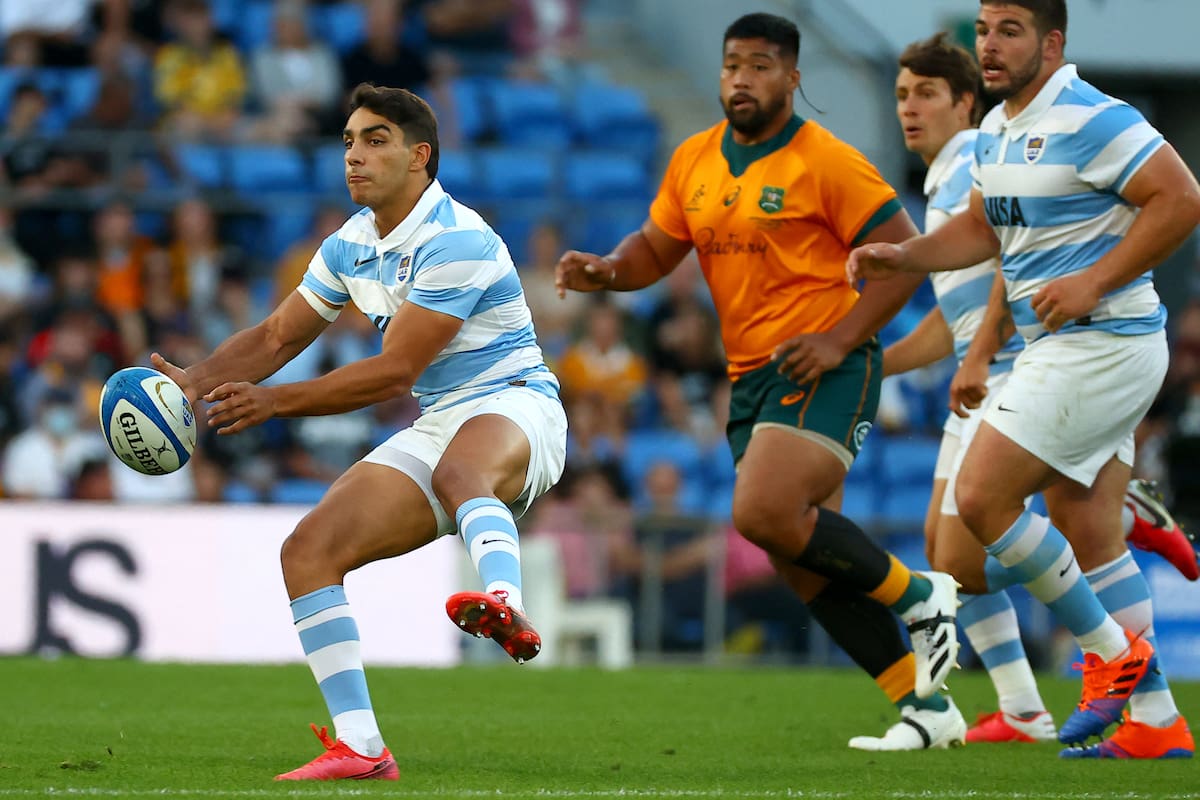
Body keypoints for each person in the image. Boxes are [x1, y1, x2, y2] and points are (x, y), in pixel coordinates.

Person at [557, 12, 966, 750]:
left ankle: (921, 593)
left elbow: (903, 250)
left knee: (764, 510)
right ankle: (928, 709)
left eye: (760, 65)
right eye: (731, 65)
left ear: (793, 77)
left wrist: (842, 338)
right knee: (802, 562)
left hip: (827, 364)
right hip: (750, 379)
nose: (741, 78)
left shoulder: (826, 161)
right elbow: (656, 246)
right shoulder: (694, 159)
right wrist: (611, 272)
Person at [152, 83, 567, 781]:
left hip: (517, 402)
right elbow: (280, 333)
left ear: (420, 158)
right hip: (441, 421)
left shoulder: (457, 240)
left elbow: (394, 372)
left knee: (460, 472)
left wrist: (274, 404)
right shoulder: (349, 245)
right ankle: (363, 747)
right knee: (308, 552)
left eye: (375, 141)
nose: (355, 156)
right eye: (348, 141)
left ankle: (505, 602)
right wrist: (191, 382)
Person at [848, 0, 1200, 759]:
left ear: (1052, 41)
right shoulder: (999, 134)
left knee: (979, 502)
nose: (991, 45)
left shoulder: (1093, 116)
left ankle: (1110, 653)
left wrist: (1095, 281)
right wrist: (902, 258)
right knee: (1086, 533)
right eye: (983, 31)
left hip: (1104, 342)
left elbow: (1182, 198)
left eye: (1009, 31)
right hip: (1058, 349)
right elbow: (982, 230)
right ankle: (1157, 721)